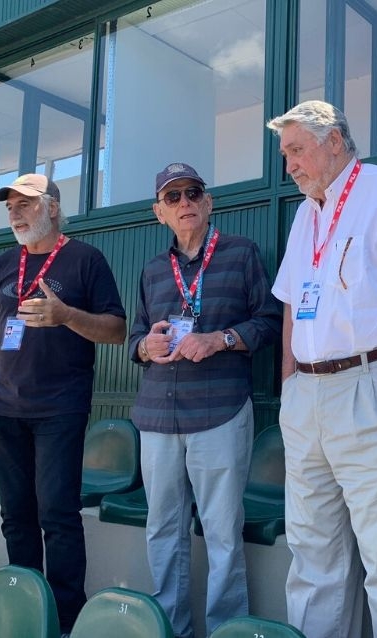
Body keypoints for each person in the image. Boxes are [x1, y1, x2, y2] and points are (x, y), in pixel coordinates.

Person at [267, 101, 377, 638]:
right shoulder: (305, 213)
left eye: (297, 150)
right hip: (307, 397)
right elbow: (290, 303)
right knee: (311, 556)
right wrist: (289, 385)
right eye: (285, 154)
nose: (289, 165)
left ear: (334, 142)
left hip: (375, 386)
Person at [0, 173, 127, 634]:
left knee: (57, 513)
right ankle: (27, 607)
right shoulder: (3, 263)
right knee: (15, 515)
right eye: (10, 205)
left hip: (59, 408)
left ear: (52, 207)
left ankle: (67, 618)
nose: (14, 212)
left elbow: (116, 330)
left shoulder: (85, 259)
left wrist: (66, 315)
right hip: (3, 408)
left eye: (25, 203)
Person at [128, 162, 281, 638]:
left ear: (209, 202)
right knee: (162, 530)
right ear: (159, 212)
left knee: (222, 533)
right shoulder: (152, 270)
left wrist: (221, 339)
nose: (185, 203)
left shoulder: (241, 253)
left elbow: (271, 321)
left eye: (193, 193)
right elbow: (135, 336)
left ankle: (227, 630)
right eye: (172, 197)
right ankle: (171, 629)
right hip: (158, 417)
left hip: (220, 413)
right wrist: (144, 346)